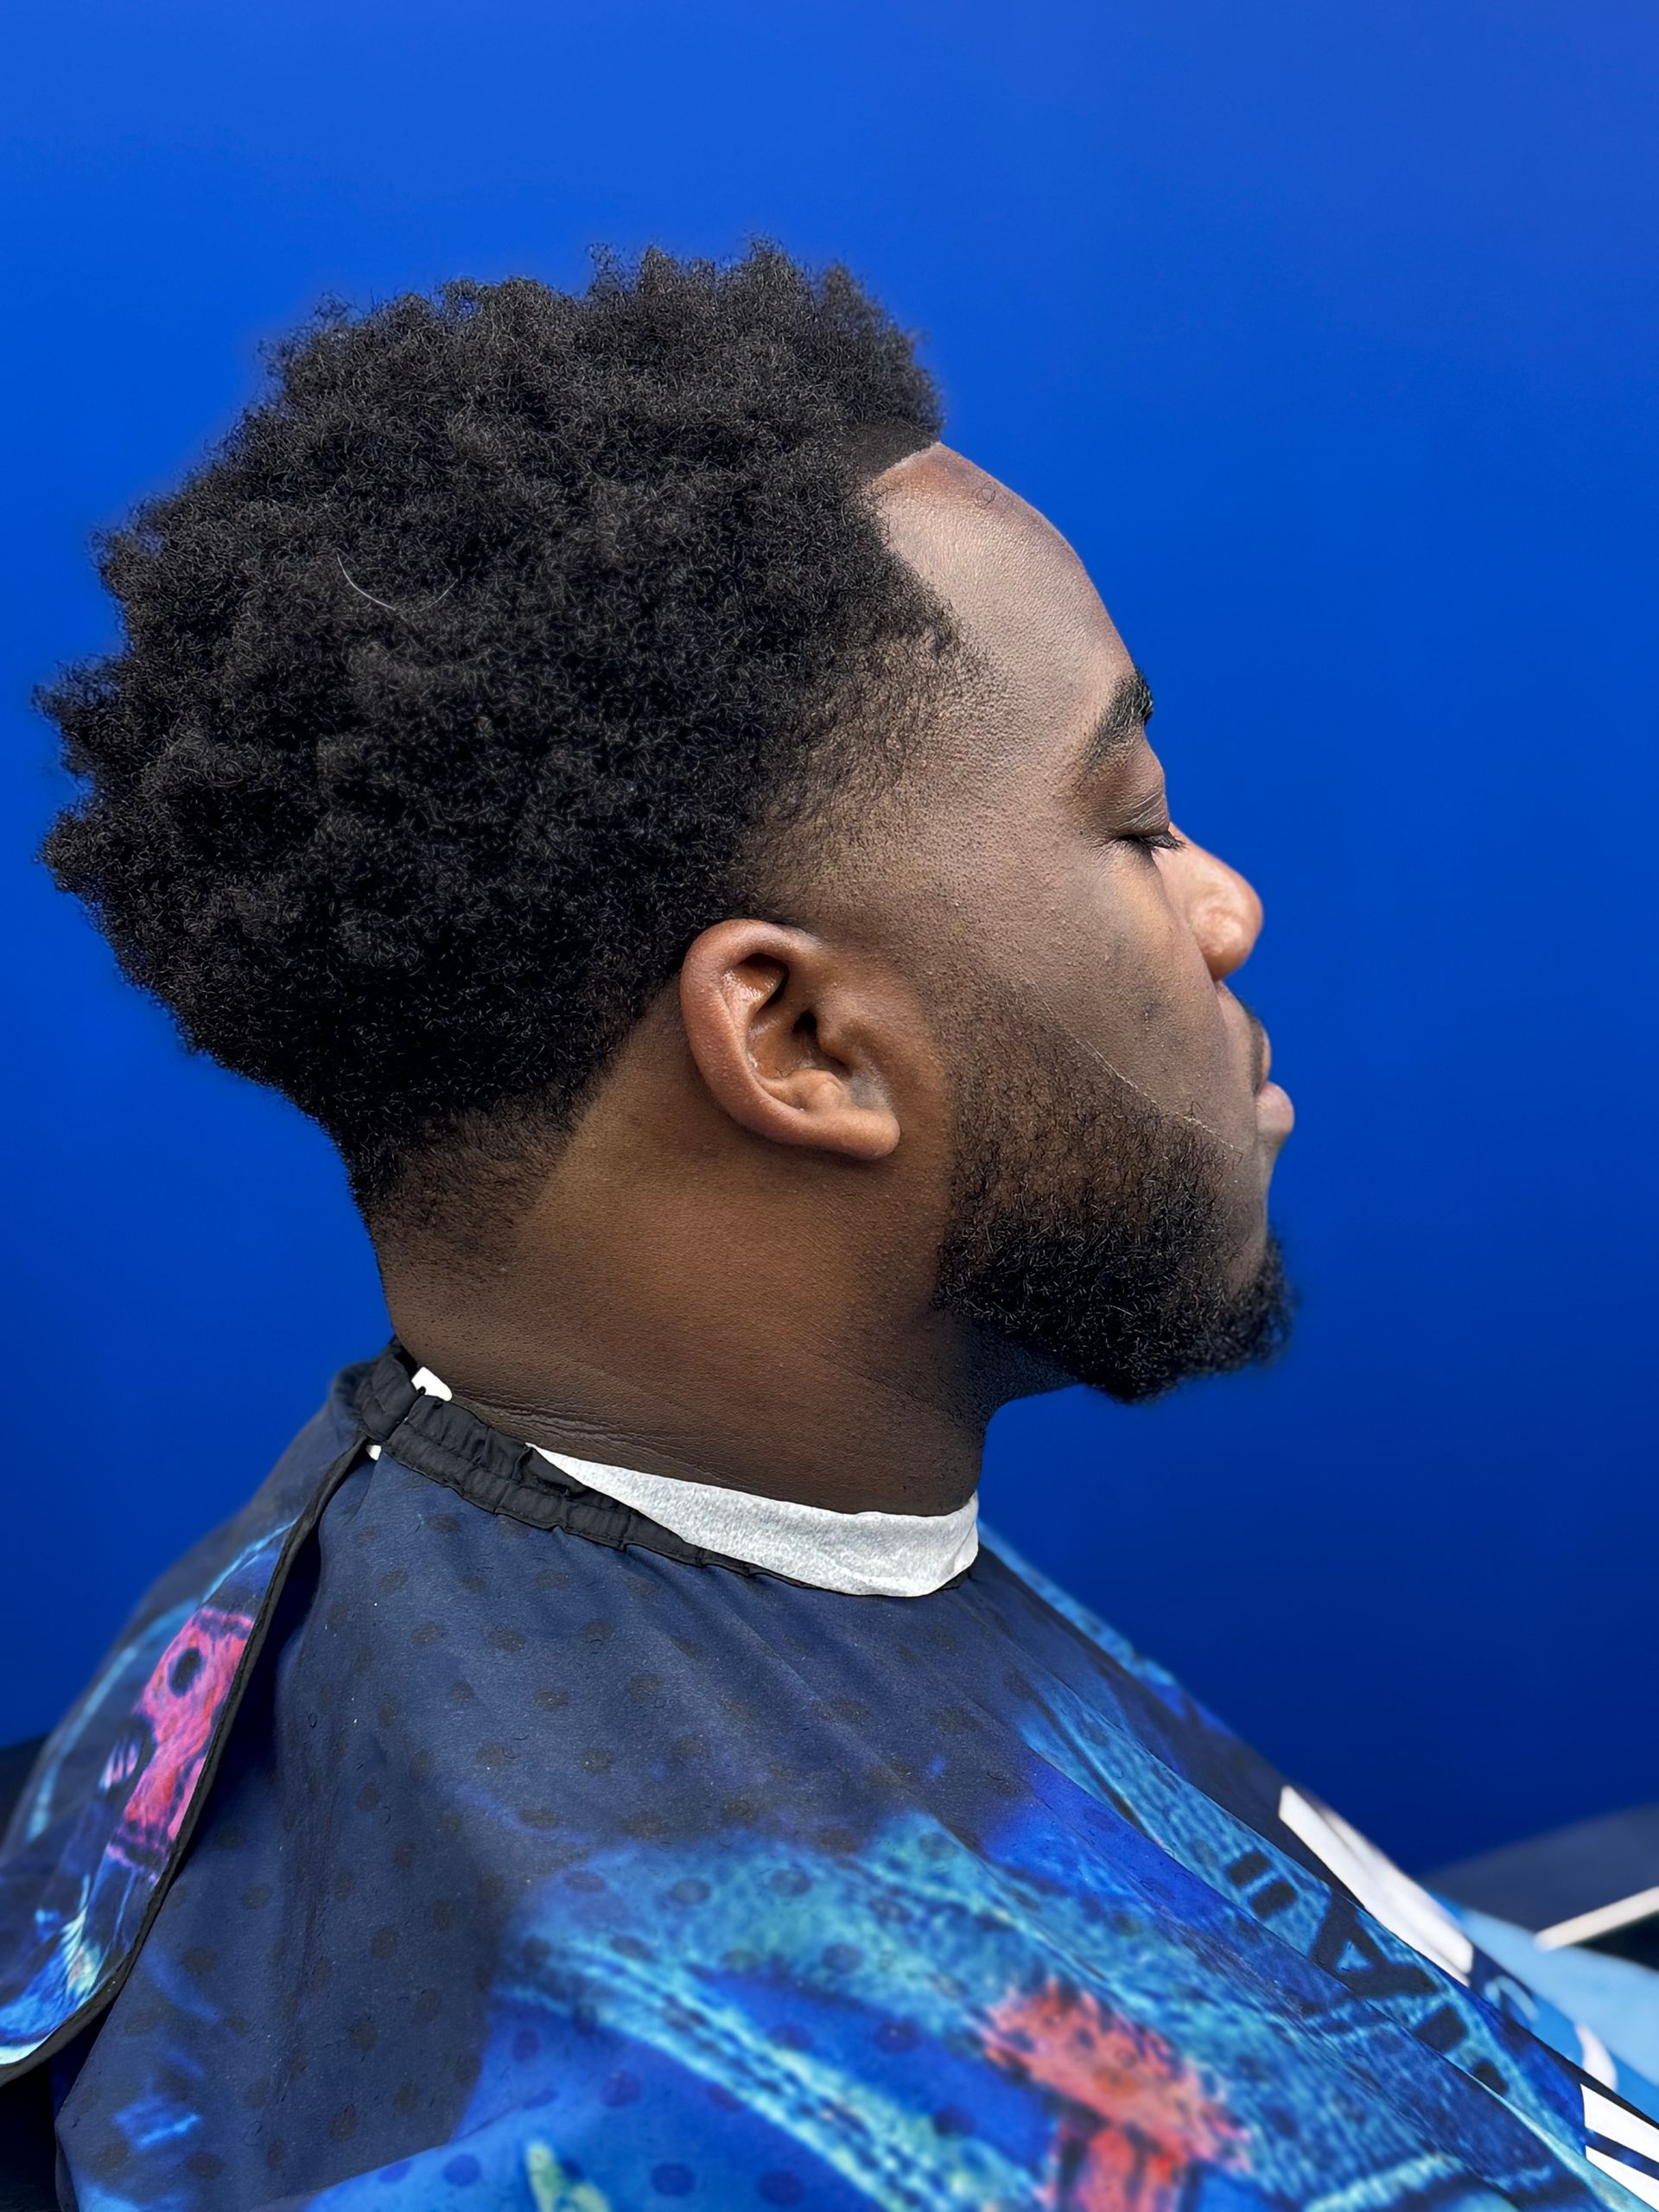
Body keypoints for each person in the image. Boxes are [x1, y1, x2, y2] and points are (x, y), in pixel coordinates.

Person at [0, 245, 1652, 2210]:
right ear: (798, 1037)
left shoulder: (525, 1546)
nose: (1226, 910)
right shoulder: (717, 2106)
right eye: (1130, 824)